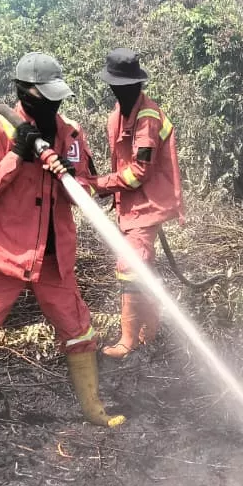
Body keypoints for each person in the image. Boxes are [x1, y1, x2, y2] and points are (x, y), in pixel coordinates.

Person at [0, 52, 125, 434]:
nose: (53, 103)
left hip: (53, 257)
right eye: (45, 95)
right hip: (3, 252)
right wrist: (18, 155)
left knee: (78, 329)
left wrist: (72, 178)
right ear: (24, 90)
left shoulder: (70, 132)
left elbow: (84, 187)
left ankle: (93, 408)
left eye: (57, 96)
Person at [90, 47, 186, 359]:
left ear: (136, 85)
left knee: (129, 266)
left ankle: (128, 340)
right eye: (115, 87)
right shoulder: (116, 117)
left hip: (148, 203)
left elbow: (140, 172)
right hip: (130, 205)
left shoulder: (147, 118)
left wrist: (100, 185)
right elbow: (121, 163)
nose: (118, 91)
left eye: (123, 87)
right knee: (143, 268)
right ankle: (150, 331)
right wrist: (110, 193)